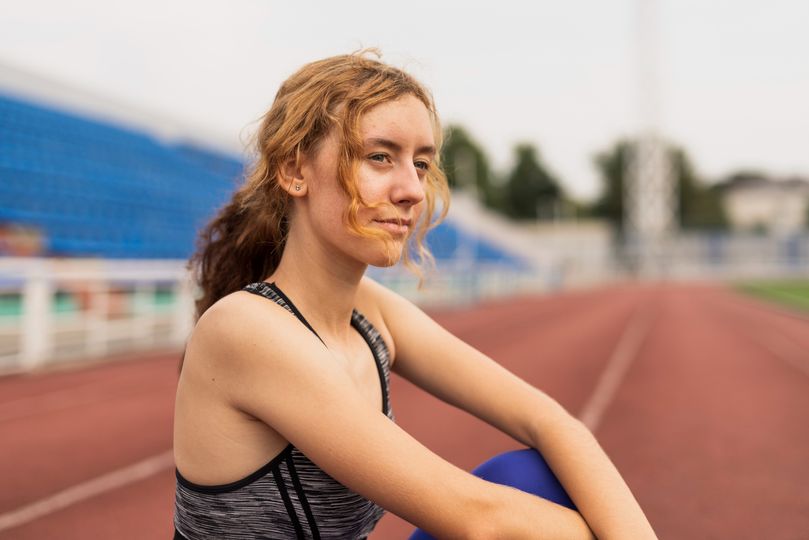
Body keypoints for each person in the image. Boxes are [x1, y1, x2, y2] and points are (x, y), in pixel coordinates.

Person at [172, 51, 658, 540]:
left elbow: (550, 421)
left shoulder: (369, 312)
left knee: (531, 477)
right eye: (379, 157)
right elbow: (480, 521)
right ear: (296, 171)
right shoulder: (245, 329)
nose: (412, 190)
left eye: (421, 164)